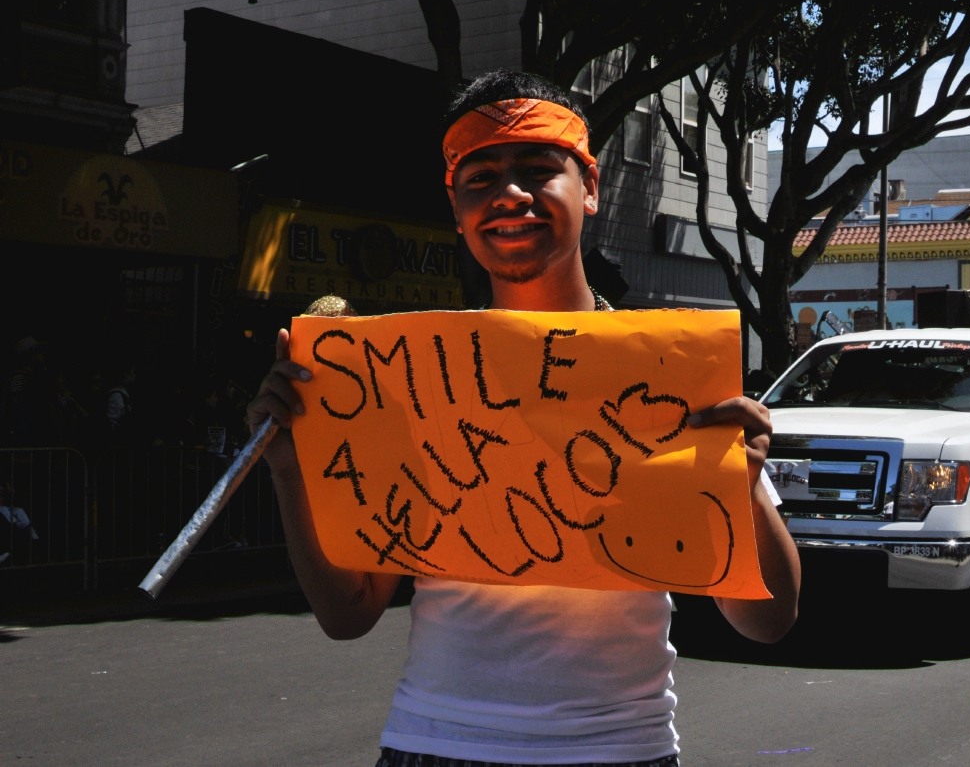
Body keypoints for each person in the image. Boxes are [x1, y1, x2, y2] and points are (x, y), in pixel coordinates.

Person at [247, 70, 801, 767]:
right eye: (480, 178)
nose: (510, 194)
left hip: (619, 748)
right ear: (455, 207)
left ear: (591, 187)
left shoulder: (670, 376)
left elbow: (768, 618)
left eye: (539, 170)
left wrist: (741, 483)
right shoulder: (412, 377)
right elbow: (348, 612)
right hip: (434, 741)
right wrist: (290, 467)